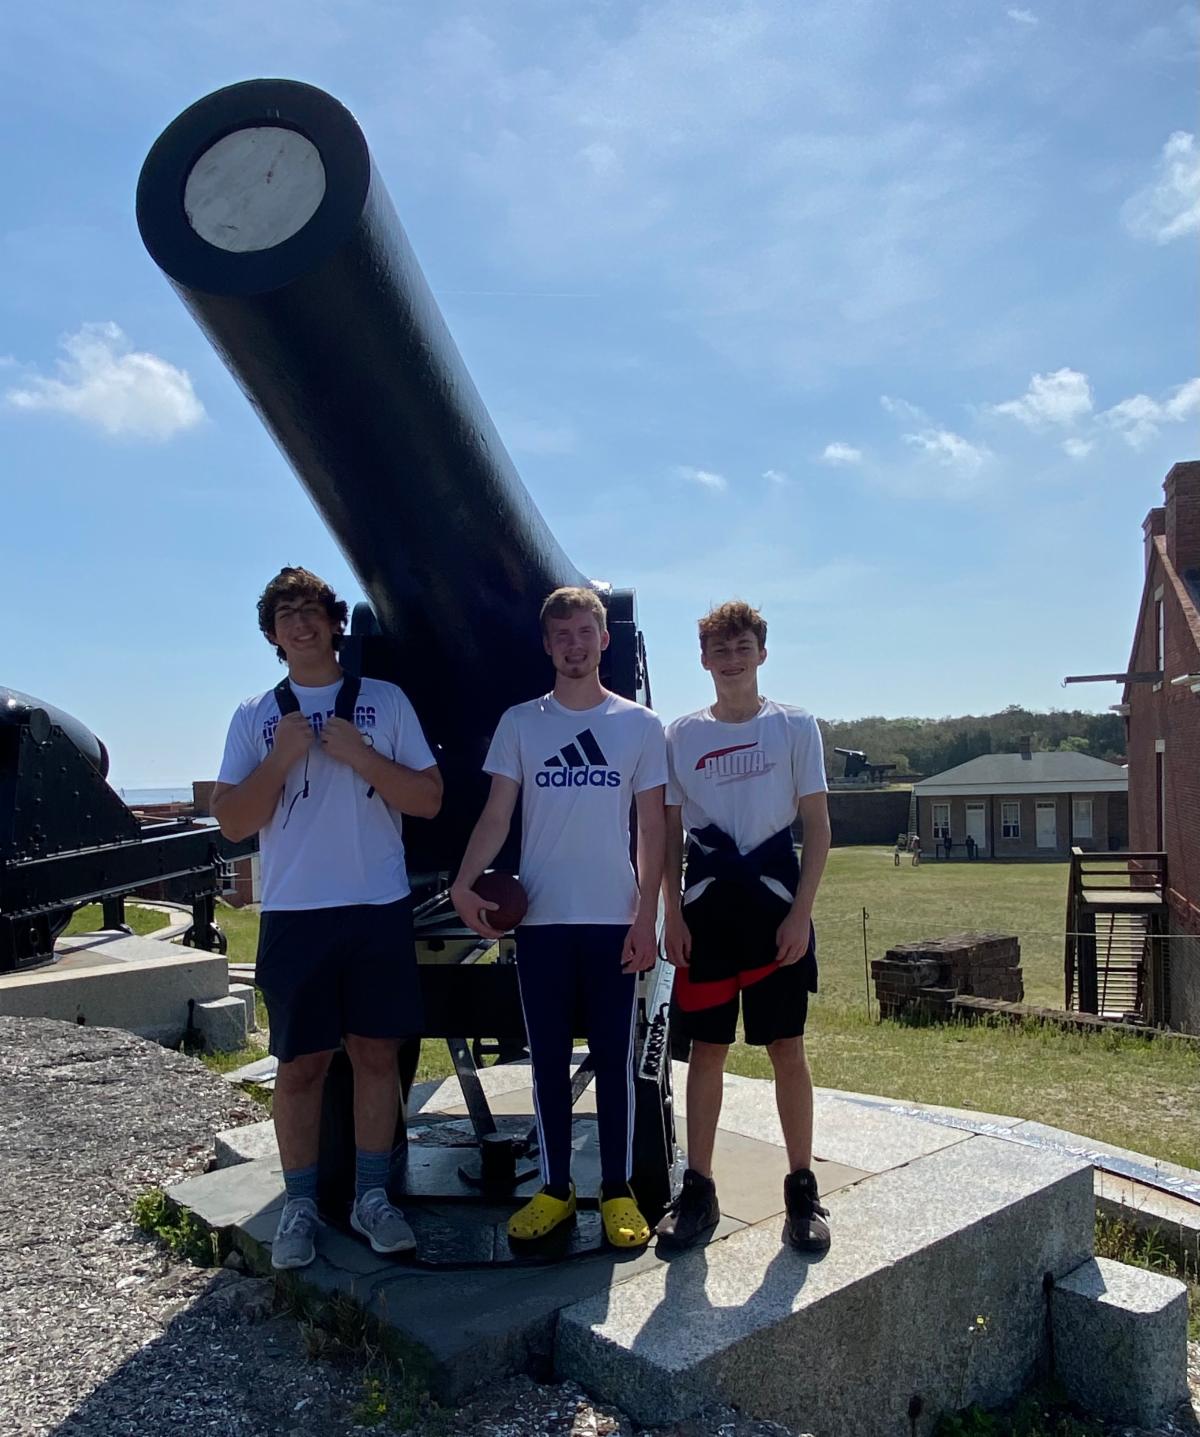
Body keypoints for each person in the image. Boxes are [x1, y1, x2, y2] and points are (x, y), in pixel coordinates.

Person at [211, 567, 442, 1270]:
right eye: (286, 613)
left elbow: (428, 798)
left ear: (336, 623)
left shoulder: (384, 701)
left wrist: (362, 755)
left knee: (376, 1055)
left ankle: (372, 1196)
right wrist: (281, 759)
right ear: (272, 634)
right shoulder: (255, 715)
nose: (301, 623)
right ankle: (301, 1203)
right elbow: (233, 821)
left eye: (312, 609)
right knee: (300, 1064)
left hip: (375, 904)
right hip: (296, 909)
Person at [451, 586, 666, 1250]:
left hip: (613, 916)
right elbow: (497, 815)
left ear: (605, 639)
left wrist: (647, 916)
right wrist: (463, 882)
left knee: (615, 1058)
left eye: (585, 632)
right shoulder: (522, 723)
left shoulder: (639, 725)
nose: (574, 645)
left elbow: (652, 829)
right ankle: (554, 1187)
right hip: (542, 918)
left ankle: (618, 1190)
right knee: (545, 1058)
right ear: (547, 645)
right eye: (562, 635)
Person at [655, 601, 832, 1252]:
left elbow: (818, 826)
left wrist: (801, 914)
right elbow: (669, 833)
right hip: (707, 909)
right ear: (703, 659)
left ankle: (802, 1191)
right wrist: (672, 914)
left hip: (774, 905)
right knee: (707, 1050)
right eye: (720, 650)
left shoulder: (795, 725)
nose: (731, 659)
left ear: (762, 652)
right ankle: (698, 1189)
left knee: (787, 1047)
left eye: (742, 647)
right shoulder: (681, 735)